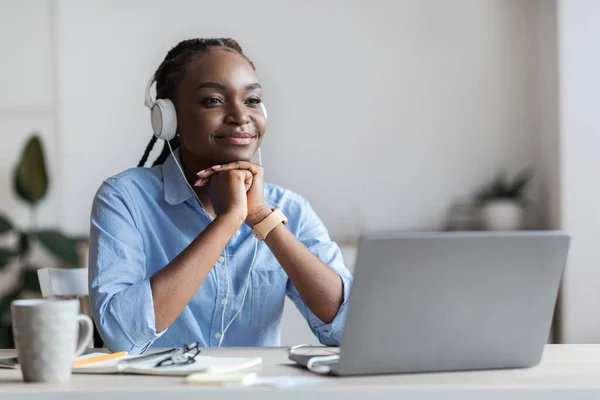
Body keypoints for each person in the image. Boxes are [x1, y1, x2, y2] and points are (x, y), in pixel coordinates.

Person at [88, 38, 353, 354]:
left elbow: (349, 329)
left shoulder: (290, 209)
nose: (240, 116)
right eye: (213, 100)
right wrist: (229, 220)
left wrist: (261, 218)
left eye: (252, 100)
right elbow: (121, 336)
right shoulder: (125, 199)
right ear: (168, 119)